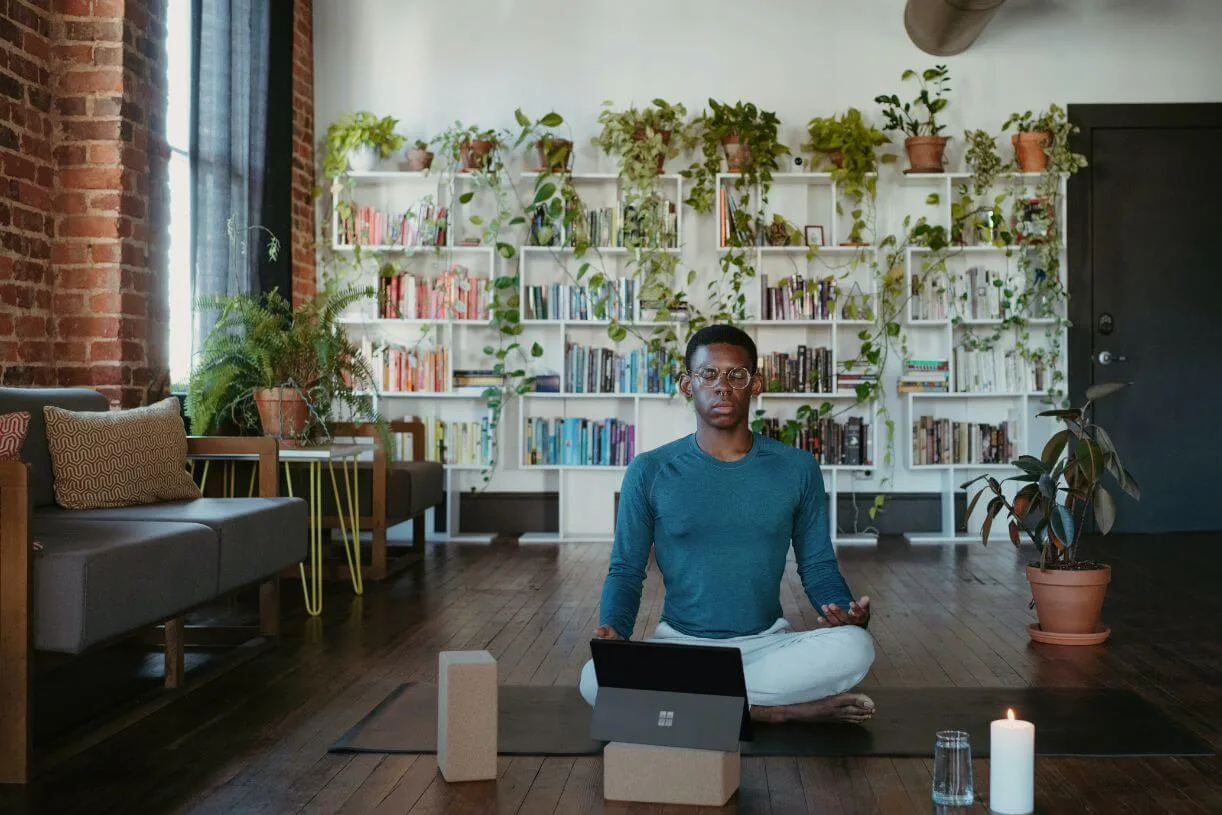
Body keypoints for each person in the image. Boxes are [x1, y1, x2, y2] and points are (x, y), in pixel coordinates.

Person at [579, 324, 876, 725]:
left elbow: (818, 565)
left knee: (856, 648)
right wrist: (613, 629)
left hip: (767, 644)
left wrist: (845, 613)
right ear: (688, 385)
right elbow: (626, 571)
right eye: (708, 374)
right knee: (594, 678)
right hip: (680, 646)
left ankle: (701, 706)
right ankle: (771, 713)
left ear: (755, 385)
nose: (723, 387)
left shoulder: (797, 468)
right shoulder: (649, 470)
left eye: (736, 375)